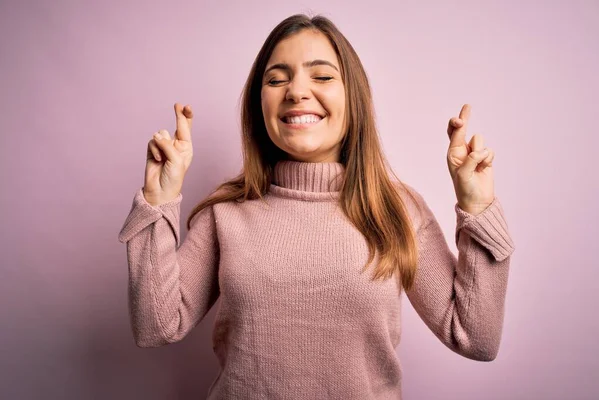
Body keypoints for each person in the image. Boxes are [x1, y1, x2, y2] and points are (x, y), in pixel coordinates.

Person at [118, 13, 515, 400]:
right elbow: (156, 326)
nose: (296, 91)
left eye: (322, 76)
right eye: (276, 79)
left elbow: (475, 337)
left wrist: (478, 208)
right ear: (261, 105)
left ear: (353, 98)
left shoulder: (397, 210)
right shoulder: (226, 213)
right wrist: (159, 200)